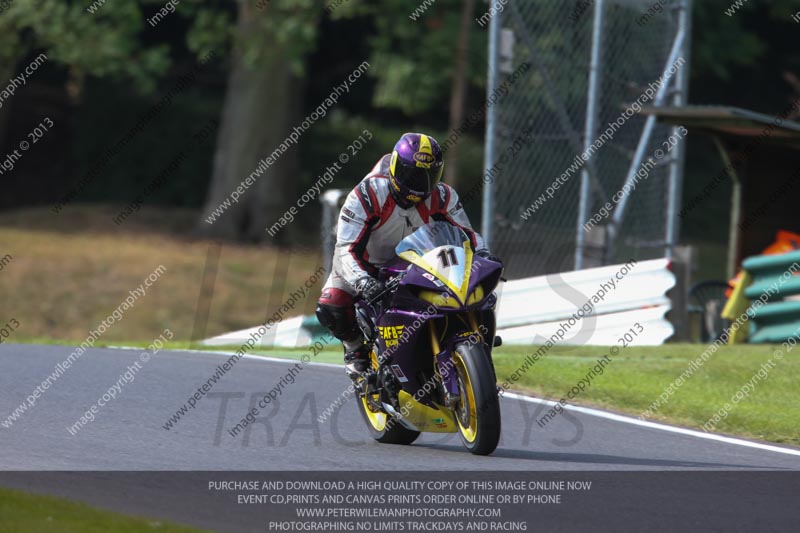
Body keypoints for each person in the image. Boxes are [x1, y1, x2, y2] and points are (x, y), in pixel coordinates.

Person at [315, 132, 501, 373]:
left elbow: (468, 234)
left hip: (420, 261)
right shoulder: (367, 194)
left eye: (428, 176)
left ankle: (477, 348)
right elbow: (345, 248)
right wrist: (362, 281)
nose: (417, 184)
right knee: (332, 304)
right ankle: (355, 348)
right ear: (393, 166)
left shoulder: (443, 195)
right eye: (410, 174)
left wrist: (484, 255)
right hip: (366, 266)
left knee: (480, 295)